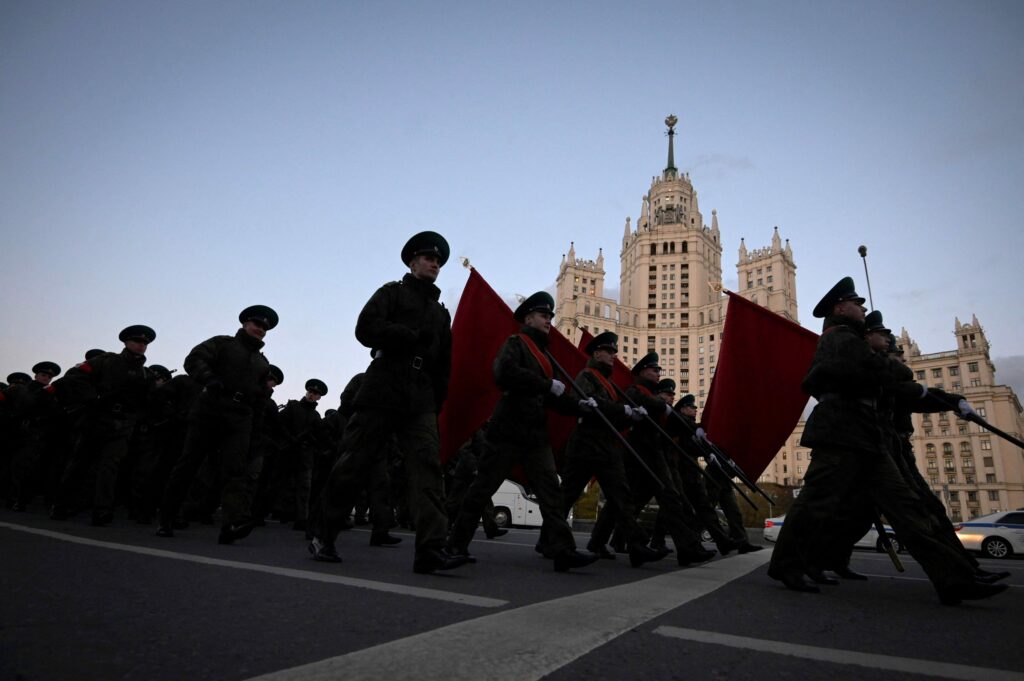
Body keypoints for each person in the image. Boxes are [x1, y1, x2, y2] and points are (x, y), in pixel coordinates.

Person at [767, 278, 1007, 605]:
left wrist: (946, 399)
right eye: (857, 304)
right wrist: (910, 380)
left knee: (909, 507)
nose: (863, 309)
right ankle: (787, 564)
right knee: (816, 503)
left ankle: (955, 579)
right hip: (841, 433)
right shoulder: (840, 338)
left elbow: (886, 379)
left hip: (867, 437)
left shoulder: (851, 340)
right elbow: (882, 373)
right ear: (841, 308)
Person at [311, 231, 465, 574]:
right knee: (354, 462)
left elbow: (445, 362)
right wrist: (406, 335)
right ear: (412, 262)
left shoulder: (440, 313)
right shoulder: (392, 293)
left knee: (428, 471)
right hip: (384, 386)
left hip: (420, 396)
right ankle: (324, 534)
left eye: (438, 261)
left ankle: (430, 549)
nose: (434, 264)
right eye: (428, 258)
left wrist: (437, 399)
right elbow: (365, 329)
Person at [447, 291, 599, 572]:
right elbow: (503, 373)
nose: (548, 320)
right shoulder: (516, 343)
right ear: (528, 318)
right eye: (543, 315)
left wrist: (579, 405)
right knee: (482, 489)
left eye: (550, 316)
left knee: (551, 493)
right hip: (507, 430)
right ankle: (455, 545)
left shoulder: (545, 355)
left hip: (534, 434)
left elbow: (555, 397)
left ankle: (562, 549)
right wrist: (545, 385)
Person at [156, 306, 276, 544]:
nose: (260, 330)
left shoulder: (262, 364)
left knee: (235, 471)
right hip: (210, 410)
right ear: (245, 324)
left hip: (240, 418)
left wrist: (256, 432)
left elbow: (261, 400)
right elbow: (194, 359)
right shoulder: (223, 344)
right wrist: (209, 378)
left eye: (265, 328)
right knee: (189, 465)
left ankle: (232, 524)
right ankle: (167, 517)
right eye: (257, 324)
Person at [589, 353, 715, 567]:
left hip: (653, 456)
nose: (658, 373)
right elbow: (652, 407)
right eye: (654, 370)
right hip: (637, 455)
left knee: (668, 500)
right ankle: (599, 543)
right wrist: (661, 406)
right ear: (642, 372)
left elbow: (672, 420)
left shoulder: (652, 396)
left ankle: (685, 548)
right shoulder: (635, 391)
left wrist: (695, 429)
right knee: (623, 501)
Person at [555, 331, 663, 567]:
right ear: (597, 354)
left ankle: (636, 545)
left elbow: (612, 418)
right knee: (567, 496)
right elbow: (586, 405)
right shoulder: (587, 376)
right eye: (609, 351)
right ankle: (551, 540)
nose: (614, 355)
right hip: (585, 445)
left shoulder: (609, 383)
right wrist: (622, 410)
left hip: (605, 446)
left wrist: (630, 416)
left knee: (622, 496)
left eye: (614, 351)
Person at [52, 326, 156, 525]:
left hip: (123, 425)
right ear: (126, 342)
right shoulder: (106, 361)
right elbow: (75, 377)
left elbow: (148, 403)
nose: (141, 346)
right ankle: (62, 505)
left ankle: (101, 510)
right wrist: (93, 398)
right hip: (97, 420)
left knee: (109, 468)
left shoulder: (146, 374)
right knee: (80, 464)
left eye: (144, 343)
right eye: (137, 341)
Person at [7, 362, 62, 511]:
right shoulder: (23, 390)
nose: (46, 378)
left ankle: (19, 498)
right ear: (36, 375)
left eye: (49, 377)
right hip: (21, 432)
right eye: (43, 375)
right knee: (17, 466)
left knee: (27, 467)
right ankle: (14, 497)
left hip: (37, 435)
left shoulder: (50, 393)